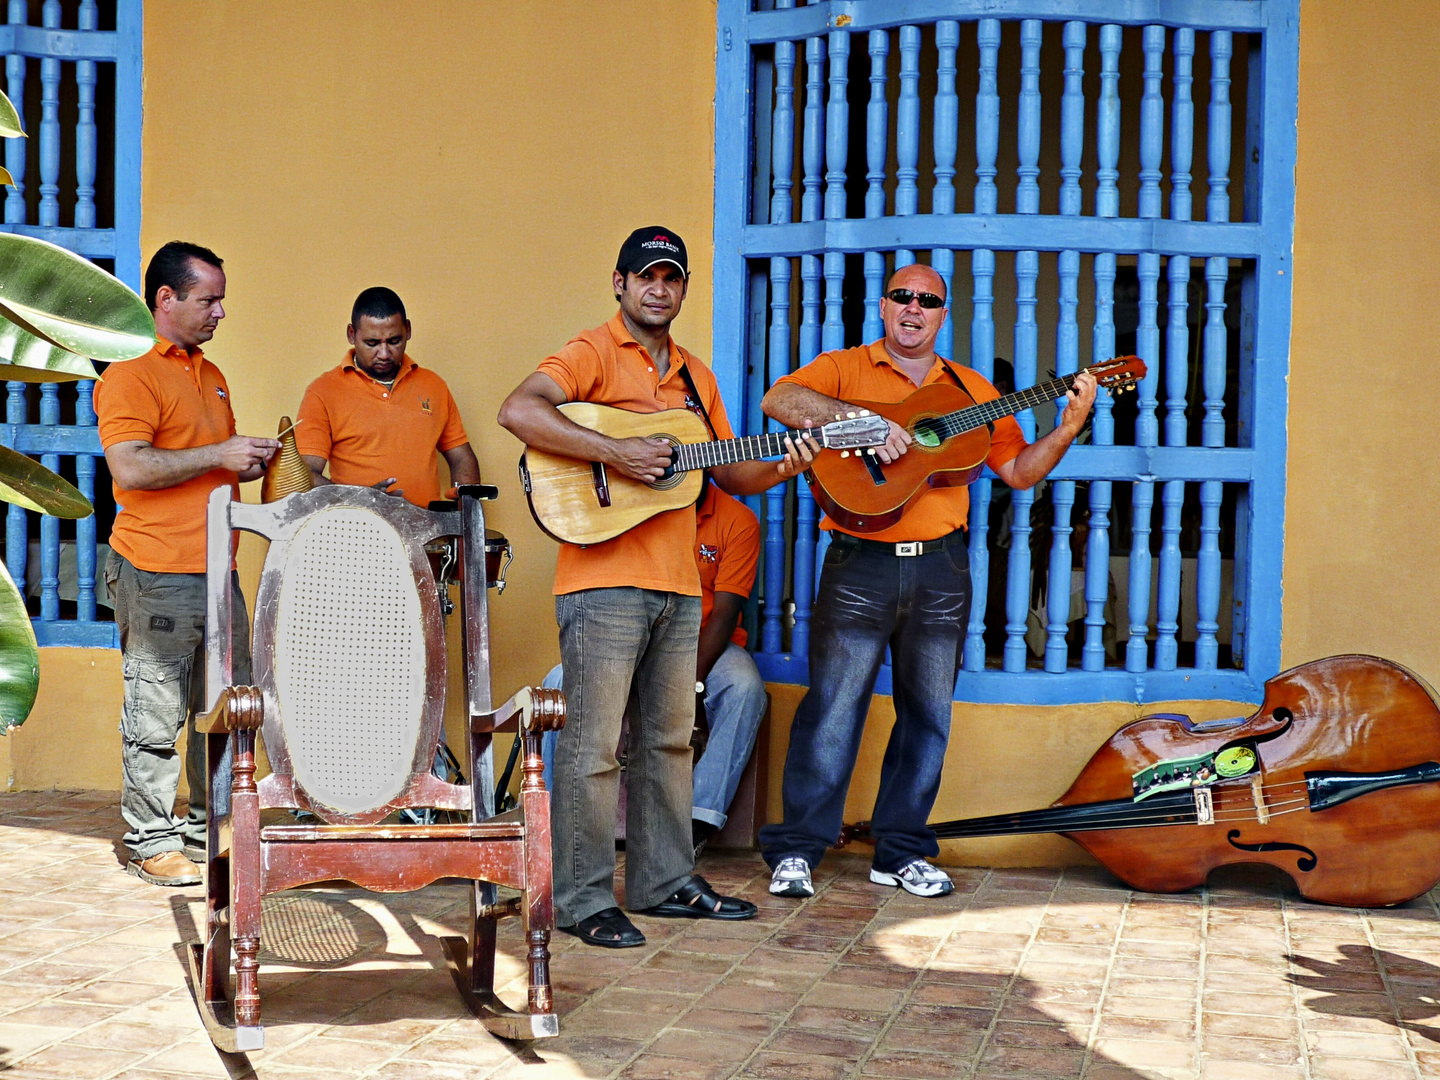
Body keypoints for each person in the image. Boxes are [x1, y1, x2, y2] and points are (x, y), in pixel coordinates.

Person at [498, 225, 812, 948]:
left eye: (671, 278)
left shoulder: (697, 379)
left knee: (670, 741)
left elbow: (732, 471)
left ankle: (663, 881)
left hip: (679, 587)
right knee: (594, 744)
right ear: (620, 283)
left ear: (683, 289)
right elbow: (520, 410)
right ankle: (579, 900)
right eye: (645, 277)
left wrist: (793, 460)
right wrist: (616, 452)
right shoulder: (591, 352)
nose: (658, 288)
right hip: (602, 580)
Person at [758, 263, 1097, 901]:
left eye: (929, 301)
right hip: (860, 558)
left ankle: (902, 849)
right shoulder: (845, 366)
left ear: (944, 315)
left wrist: (1069, 424)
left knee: (928, 714)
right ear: (882, 307)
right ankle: (799, 849)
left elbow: (1020, 472)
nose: (913, 308)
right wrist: (869, 422)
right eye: (902, 296)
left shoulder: (970, 391)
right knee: (832, 706)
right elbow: (780, 401)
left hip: (942, 567)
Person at [96, 241, 280, 886]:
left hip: (216, 572)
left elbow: (204, 462)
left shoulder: (211, 373)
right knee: (156, 713)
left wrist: (246, 463)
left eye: (222, 298)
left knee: (225, 707)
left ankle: (209, 832)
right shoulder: (130, 373)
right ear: (166, 299)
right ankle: (150, 840)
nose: (221, 312)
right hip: (157, 569)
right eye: (209, 299)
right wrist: (219, 454)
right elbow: (133, 466)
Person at [539, 478, 768, 857]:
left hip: (705, 644)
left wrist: (686, 684)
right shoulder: (632, 508)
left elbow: (726, 613)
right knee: (557, 683)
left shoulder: (737, 520)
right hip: (632, 639)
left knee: (744, 688)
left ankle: (695, 820)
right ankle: (551, 817)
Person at [295, 287, 480, 504]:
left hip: (427, 531)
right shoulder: (323, 391)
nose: (384, 354)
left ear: (408, 330)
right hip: (353, 530)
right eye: (372, 343)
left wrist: (466, 523)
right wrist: (361, 499)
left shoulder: (433, 385)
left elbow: (462, 459)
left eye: (394, 341)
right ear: (351, 334)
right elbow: (303, 475)